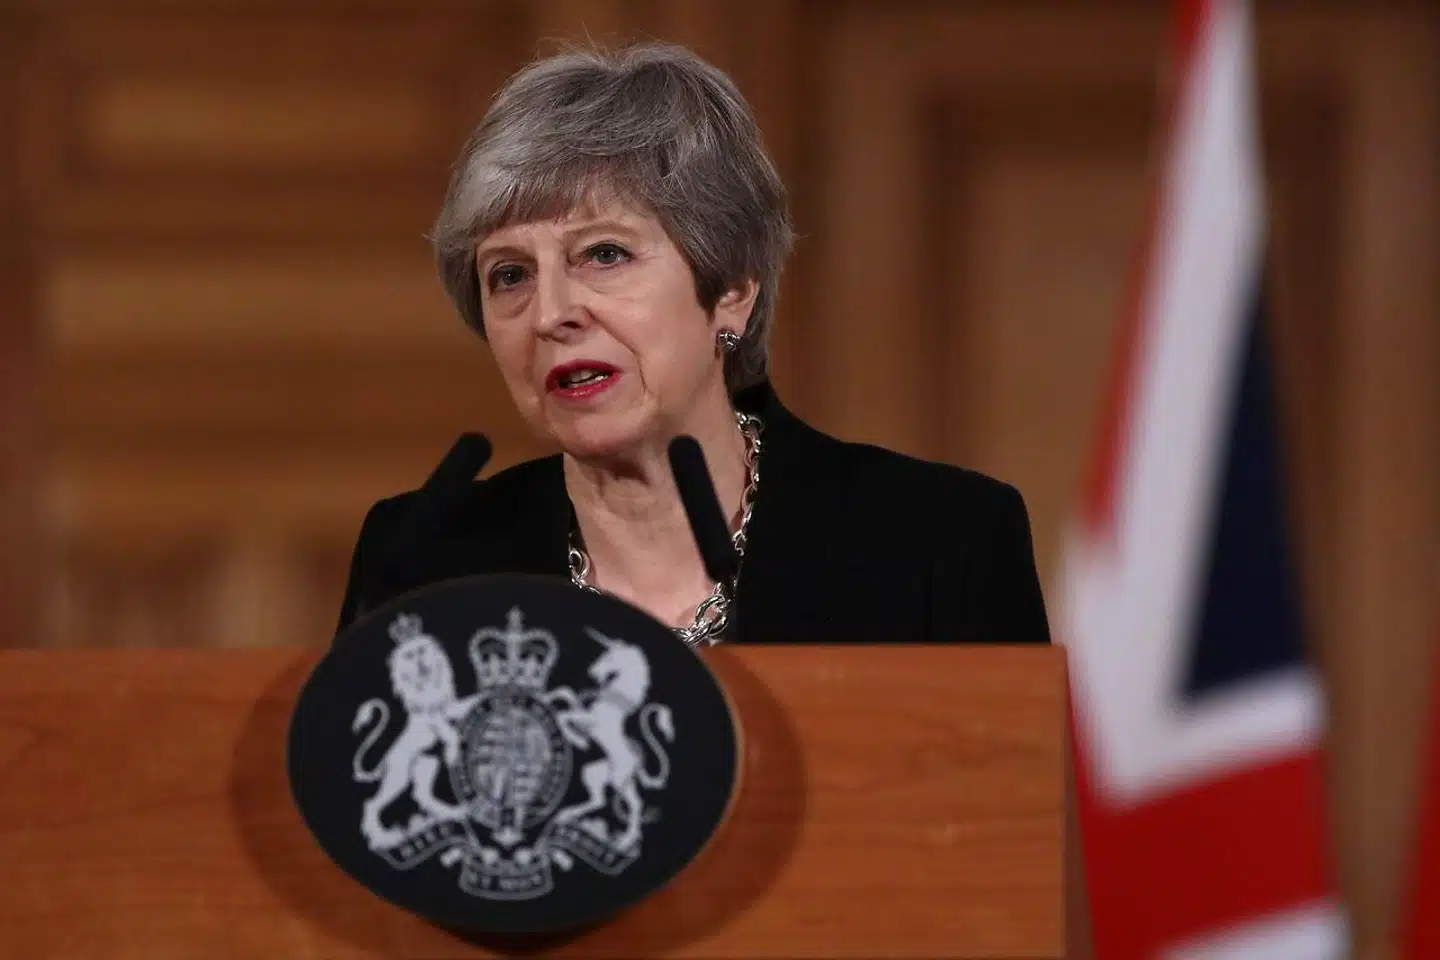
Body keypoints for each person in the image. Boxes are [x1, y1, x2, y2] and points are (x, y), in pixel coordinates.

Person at [334, 41, 1050, 647]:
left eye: (604, 254)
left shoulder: (940, 545)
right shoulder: (426, 562)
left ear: (732, 289)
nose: (551, 312)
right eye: (510, 274)